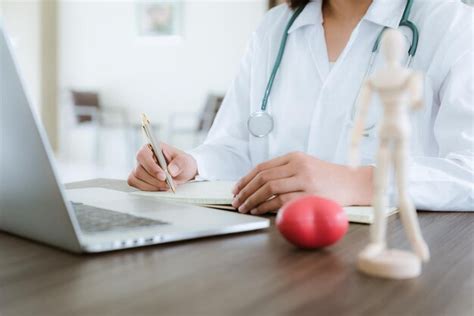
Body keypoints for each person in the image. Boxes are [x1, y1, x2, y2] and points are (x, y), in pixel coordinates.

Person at [128, 0, 473, 214]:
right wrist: (192, 164)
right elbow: (237, 146)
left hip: (398, 260)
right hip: (275, 253)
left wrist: (359, 183)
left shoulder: (452, 25)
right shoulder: (274, 29)